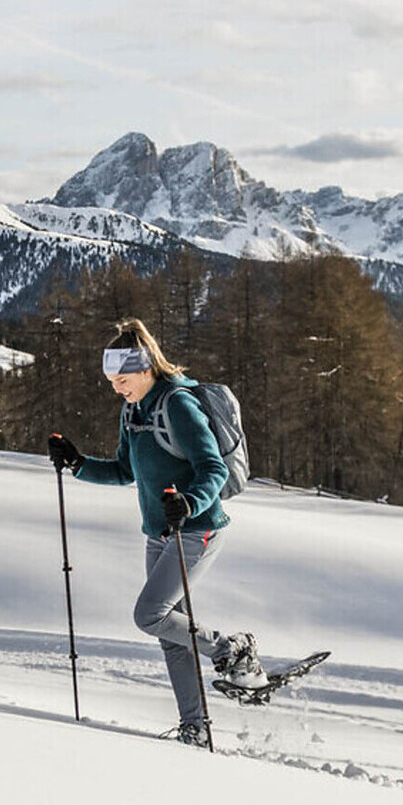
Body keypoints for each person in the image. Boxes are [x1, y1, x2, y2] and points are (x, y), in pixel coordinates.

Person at [48, 319, 266, 747]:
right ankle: (195, 727)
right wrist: (77, 463)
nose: (116, 388)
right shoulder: (133, 410)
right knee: (172, 637)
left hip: (197, 529)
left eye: (123, 379)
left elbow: (213, 469)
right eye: (112, 380)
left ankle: (233, 649)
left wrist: (188, 502)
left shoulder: (178, 405)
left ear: (146, 369)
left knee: (150, 615)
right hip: (159, 535)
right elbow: (125, 471)